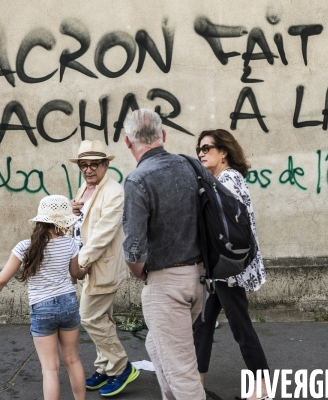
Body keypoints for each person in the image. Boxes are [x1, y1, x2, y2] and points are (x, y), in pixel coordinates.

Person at [0, 195, 88, 400]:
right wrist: (86, 269)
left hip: (42, 308)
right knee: (73, 360)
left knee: (50, 369)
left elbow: (0, 280)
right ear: (62, 221)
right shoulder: (70, 245)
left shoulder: (25, 247)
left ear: (40, 219)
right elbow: (76, 274)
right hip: (68, 303)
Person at [122, 108, 207, 399]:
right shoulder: (191, 166)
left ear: (127, 142)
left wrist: (139, 271)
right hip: (198, 278)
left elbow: (134, 247)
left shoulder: (138, 179)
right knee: (158, 350)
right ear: (164, 135)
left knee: (182, 370)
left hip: (165, 283)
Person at [192, 129, 270, 400]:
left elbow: (227, 225)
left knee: (240, 326)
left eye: (207, 148)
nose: (201, 153)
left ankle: (261, 390)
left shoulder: (228, 178)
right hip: (218, 269)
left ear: (223, 152)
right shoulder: (216, 179)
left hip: (229, 269)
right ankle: (196, 387)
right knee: (202, 324)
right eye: (199, 149)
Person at [69, 140, 139, 397]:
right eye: (83, 165)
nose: (88, 169)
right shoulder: (84, 188)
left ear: (106, 164)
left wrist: (81, 262)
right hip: (86, 265)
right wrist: (71, 209)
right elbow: (83, 222)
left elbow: (103, 233)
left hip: (99, 266)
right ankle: (105, 367)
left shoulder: (113, 192)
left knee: (88, 317)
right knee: (102, 319)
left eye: (94, 164)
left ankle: (121, 367)